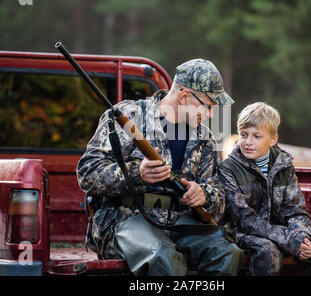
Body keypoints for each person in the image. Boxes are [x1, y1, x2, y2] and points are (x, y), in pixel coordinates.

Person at [77, 58, 244, 276]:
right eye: (208, 106)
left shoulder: (205, 138)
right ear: (184, 96)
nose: (211, 115)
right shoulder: (128, 117)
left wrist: (204, 195)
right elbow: (87, 172)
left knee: (228, 252)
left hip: (181, 223)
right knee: (161, 256)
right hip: (126, 220)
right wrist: (138, 174)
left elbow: (218, 192)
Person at [219, 102, 311, 276]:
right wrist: (291, 240)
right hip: (238, 233)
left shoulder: (283, 166)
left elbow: (296, 211)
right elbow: (244, 220)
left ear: (273, 139)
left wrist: (303, 237)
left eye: (256, 136)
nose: (248, 142)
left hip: (279, 233)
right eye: (243, 135)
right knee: (268, 251)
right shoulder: (228, 169)